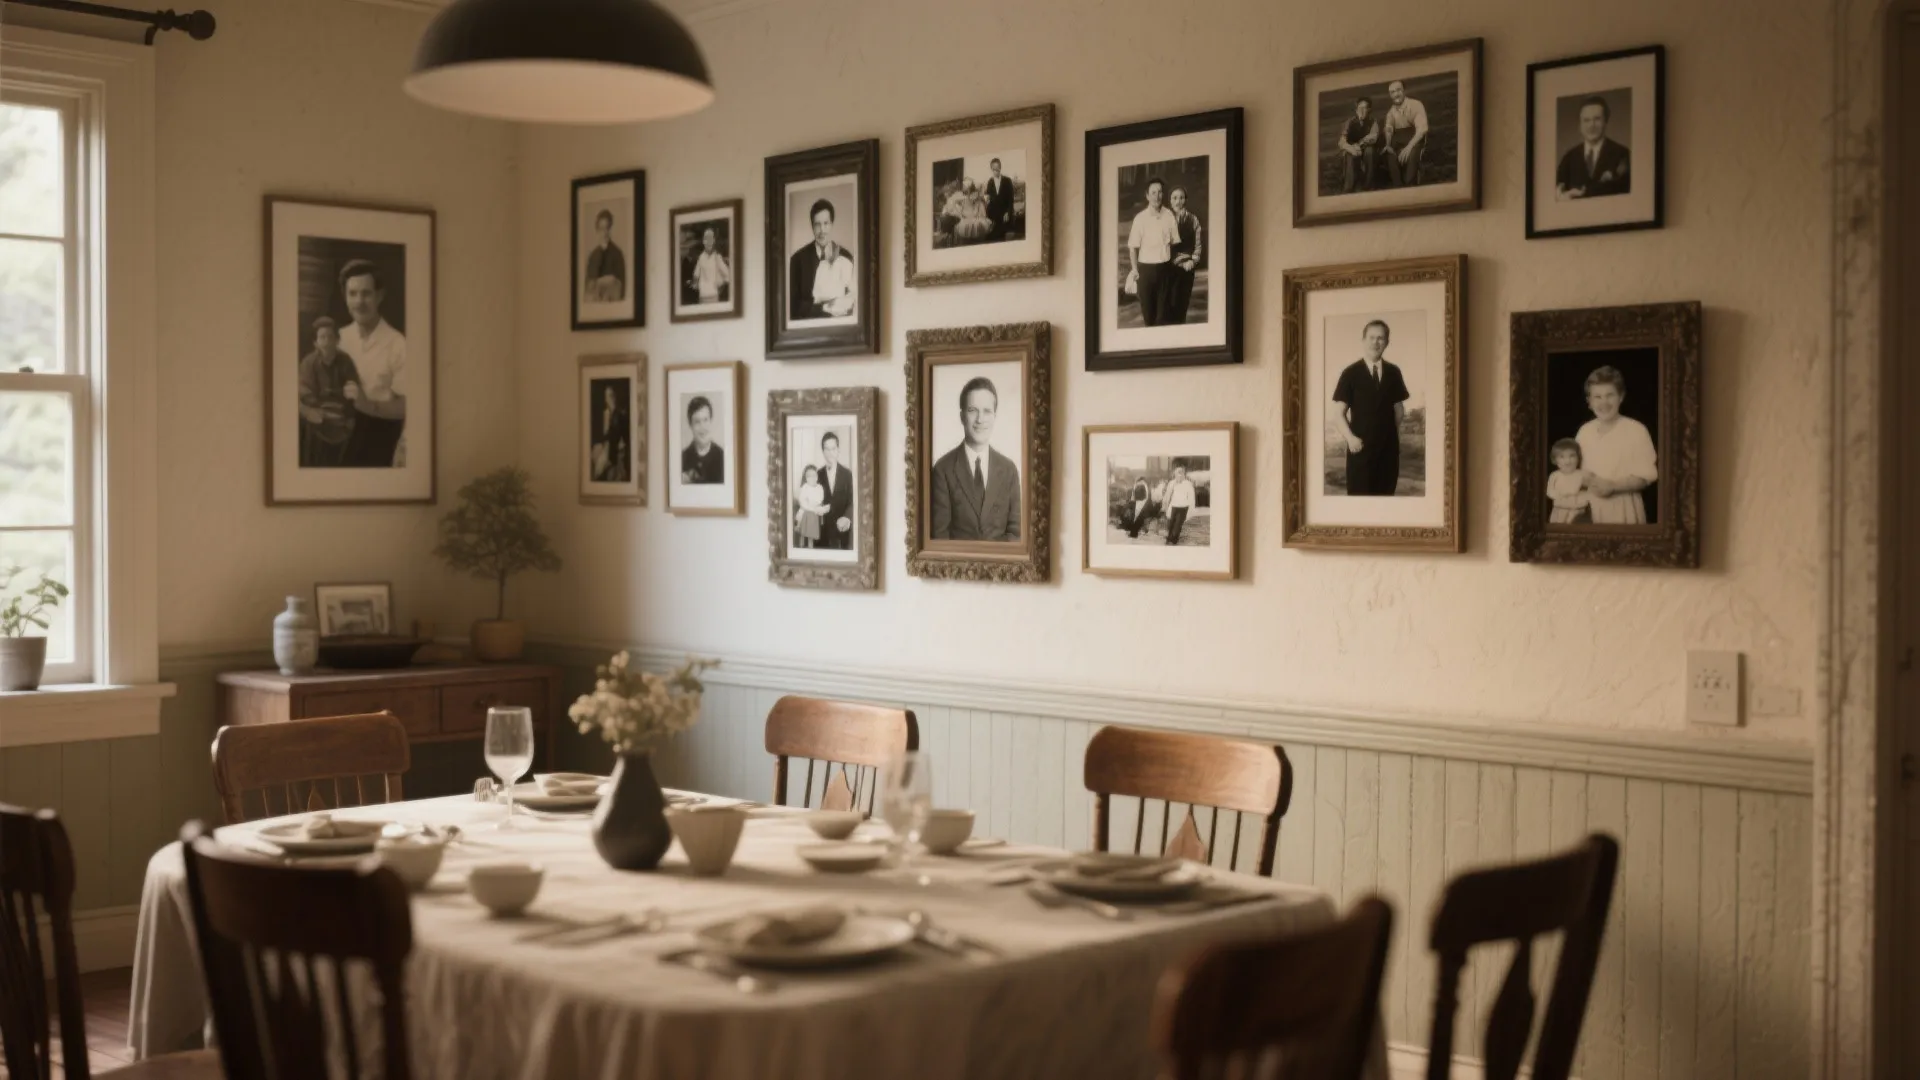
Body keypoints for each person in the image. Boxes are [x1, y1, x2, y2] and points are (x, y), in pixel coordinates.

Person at [334, 259, 408, 469]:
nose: (359, 302)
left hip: (379, 439)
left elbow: (407, 407)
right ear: (345, 296)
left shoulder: (398, 344)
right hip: (340, 437)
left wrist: (367, 406)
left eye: (366, 293)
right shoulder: (339, 338)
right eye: (352, 294)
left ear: (380, 295)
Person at [929, 376, 1021, 541]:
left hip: (1001, 566)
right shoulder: (943, 470)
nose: (980, 419)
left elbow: (1016, 533)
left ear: (994, 416)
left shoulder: (1009, 470)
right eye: (973, 410)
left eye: (987, 411)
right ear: (962, 416)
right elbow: (939, 537)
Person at [1330, 319, 1411, 496]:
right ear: (1363, 340)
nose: (1376, 342)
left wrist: (1391, 433)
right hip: (1360, 451)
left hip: (1388, 452)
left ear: (1387, 342)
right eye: (1372, 337)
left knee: (1387, 503)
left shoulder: (1393, 372)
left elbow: (1399, 409)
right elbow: (1338, 414)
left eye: (1381, 338)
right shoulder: (1350, 373)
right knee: (1360, 506)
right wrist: (1351, 439)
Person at [1574, 366, 1657, 523]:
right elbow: (1574, 472)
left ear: (1621, 397)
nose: (1603, 402)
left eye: (1610, 395)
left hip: (1624, 509)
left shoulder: (1636, 430)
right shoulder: (1584, 431)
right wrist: (1583, 479)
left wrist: (1613, 486)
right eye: (1597, 397)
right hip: (1590, 508)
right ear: (1589, 402)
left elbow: (1646, 477)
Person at [297, 316, 361, 468]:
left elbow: (353, 390)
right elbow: (304, 392)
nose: (326, 341)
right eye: (322, 337)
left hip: (341, 416)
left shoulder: (346, 361)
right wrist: (313, 410)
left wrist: (350, 414)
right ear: (315, 342)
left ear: (337, 340)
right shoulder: (308, 363)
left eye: (330, 337)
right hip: (317, 415)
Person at [1125, 177, 1181, 327]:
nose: (1157, 196)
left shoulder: (1169, 216)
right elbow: (1132, 247)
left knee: (1163, 318)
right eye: (1153, 192)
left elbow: (1175, 244)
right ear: (1147, 195)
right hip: (1145, 272)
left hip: (1165, 270)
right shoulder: (1140, 219)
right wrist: (1135, 270)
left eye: (1160, 192)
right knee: (1149, 318)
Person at [789, 198, 855, 321]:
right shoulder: (797, 260)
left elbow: (853, 301)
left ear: (832, 224)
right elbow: (793, 306)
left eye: (826, 223)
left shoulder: (846, 257)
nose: (822, 230)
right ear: (812, 226)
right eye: (817, 224)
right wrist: (824, 308)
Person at [1555, 96, 1631, 200]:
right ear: (1580, 125)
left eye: (1597, 119)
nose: (1591, 125)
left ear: (1606, 121)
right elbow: (1556, 191)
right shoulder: (1568, 158)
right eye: (1586, 120)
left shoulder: (1622, 154)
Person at [1166, 186, 1205, 325]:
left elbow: (1198, 244)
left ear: (1186, 200)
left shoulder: (1193, 220)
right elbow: (1165, 246)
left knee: (1183, 301)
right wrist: (1180, 262)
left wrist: (1193, 261)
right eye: (1175, 198)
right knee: (1171, 301)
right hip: (1169, 267)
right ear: (1170, 201)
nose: (1178, 201)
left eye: (1181, 198)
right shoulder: (1166, 220)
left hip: (1188, 267)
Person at [1380, 80, 1430, 187]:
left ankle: (1410, 184)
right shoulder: (1391, 112)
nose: (1396, 94)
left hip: (1415, 140)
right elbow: (1388, 128)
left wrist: (1408, 148)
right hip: (1398, 142)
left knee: (1409, 177)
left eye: (1398, 90)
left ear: (1404, 90)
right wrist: (1388, 144)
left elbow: (1422, 130)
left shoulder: (1415, 104)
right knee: (1389, 154)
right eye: (1392, 92)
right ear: (1390, 95)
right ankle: (1397, 187)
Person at [816, 431, 854, 550]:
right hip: (822, 536)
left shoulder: (847, 474)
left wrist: (848, 517)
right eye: (827, 449)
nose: (830, 453)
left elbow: (853, 500)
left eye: (833, 448)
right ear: (823, 451)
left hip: (843, 535)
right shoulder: (817, 474)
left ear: (838, 450)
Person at [1338, 96, 1381, 193]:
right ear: (1356, 110)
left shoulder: (1373, 122)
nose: (1361, 111)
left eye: (1364, 108)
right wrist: (1352, 148)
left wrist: (1359, 145)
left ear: (1369, 110)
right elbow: (1342, 142)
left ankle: (1368, 186)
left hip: (1365, 148)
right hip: (1352, 149)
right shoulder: (1350, 122)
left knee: (1370, 151)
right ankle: (1349, 189)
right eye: (1359, 108)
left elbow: (1373, 137)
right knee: (1350, 155)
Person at [584, 208, 627, 302]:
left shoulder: (617, 254)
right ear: (597, 230)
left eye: (607, 228)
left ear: (610, 229)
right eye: (601, 229)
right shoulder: (593, 256)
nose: (604, 233)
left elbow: (621, 288)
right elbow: (588, 288)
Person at [680, 395, 725, 484]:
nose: (702, 427)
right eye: (697, 422)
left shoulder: (722, 457)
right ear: (690, 425)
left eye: (705, 420)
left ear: (711, 421)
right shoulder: (682, 459)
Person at [1547, 438, 1592, 524]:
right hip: (1560, 510)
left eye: (1572, 456)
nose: (1567, 461)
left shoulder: (1582, 475)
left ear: (1578, 458)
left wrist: (1583, 498)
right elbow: (1549, 491)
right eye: (1562, 457)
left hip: (1578, 511)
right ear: (1555, 460)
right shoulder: (1555, 475)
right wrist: (1560, 495)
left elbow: (1590, 490)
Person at [591, 383, 629, 483]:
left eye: (612, 395)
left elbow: (621, 436)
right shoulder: (605, 414)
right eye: (608, 396)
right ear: (605, 399)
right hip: (605, 447)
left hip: (616, 449)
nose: (611, 399)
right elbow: (602, 434)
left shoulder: (621, 414)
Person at [684, 226, 731, 306]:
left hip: (714, 297)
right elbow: (696, 275)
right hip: (702, 297)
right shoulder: (701, 258)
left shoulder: (717, 257)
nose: (708, 241)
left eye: (711, 239)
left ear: (713, 241)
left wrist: (720, 285)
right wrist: (692, 283)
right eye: (706, 239)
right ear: (703, 241)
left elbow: (728, 275)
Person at [1162, 464, 1197, 545]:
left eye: (1181, 472)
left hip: (1183, 507)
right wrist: (1166, 505)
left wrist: (1190, 507)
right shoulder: (1171, 483)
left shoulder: (1188, 484)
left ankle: (1174, 539)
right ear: (1174, 473)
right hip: (1173, 506)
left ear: (1184, 474)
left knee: (1178, 525)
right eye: (1178, 472)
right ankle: (1169, 538)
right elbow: (1168, 495)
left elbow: (1191, 497)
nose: (1179, 474)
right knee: (1171, 524)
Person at [794, 465, 826, 548]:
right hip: (806, 510)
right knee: (803, 533)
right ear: (806, 478)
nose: (812, 478)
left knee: (811, 535)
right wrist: (809, 506)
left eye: (814, 475)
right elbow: (802, 500)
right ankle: (801, 546)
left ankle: (810, 547)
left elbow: (820, 498)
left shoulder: (819, 487)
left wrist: (815, 504)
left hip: (814, 512)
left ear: (817, 476)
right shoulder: (805, 487)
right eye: (809, 476)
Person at [952, 179, 994, 244]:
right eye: (963, 186)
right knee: (967, 227)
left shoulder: (975, 196)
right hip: (967, 217)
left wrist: (977, 199)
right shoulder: (962, 197)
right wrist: (960, 213)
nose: (963, 187)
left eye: (964, 186)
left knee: (976, 226)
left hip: (975, 215)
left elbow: (980, 204)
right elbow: (955, 203)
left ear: (968, 188)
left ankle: (975, 242)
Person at [984, 157, 1016, 240]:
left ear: (1000, 167)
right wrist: (986, 199)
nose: (996, 171)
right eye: (994, 169)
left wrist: (1008, 212)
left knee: (1003, 232)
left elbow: (1011, 199)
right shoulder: (990, 182)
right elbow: (988, 197)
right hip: (993, 213)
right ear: (991, 169)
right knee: (991, 235)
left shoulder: (1007, 180)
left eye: (997, 168)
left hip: (1004, 212)